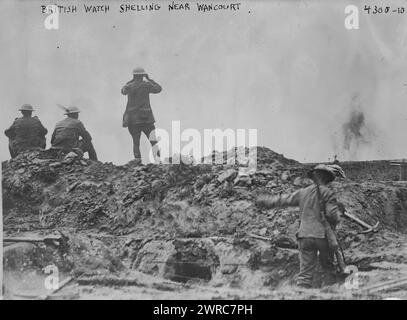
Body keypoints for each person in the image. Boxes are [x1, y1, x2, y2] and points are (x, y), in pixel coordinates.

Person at [256, 164, 346, 288]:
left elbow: (284, 200)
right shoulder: (328, 193)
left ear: (314, 177)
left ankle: (301, 294)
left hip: (304, 236)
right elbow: (331, 214)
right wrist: (338, 217)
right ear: (327, 178)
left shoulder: (303, 192)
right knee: (328, 269)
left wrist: (266, 201)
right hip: (322, 237)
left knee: (305, 273)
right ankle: (328, 293)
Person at [121, 67, 162, 163]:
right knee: (153, 141)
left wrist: (131, 80)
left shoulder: (129, 86)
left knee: (136, 142)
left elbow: (123, 91)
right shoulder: (146, 85)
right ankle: (158, 160)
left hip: (133, 120)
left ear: (133, 76)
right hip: (146, 119)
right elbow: (159, 89)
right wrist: (149, 79)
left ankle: (137, 161)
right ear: (143, 75)